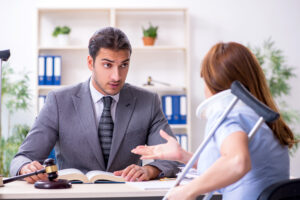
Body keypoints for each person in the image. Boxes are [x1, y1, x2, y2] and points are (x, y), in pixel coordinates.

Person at [10, 27, 179, 183]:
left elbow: (172, 157)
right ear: (90, 63)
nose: (116, 76)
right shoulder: (58, 101)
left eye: (124, 65)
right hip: (74, 195)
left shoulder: (147, 101)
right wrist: (26, 167)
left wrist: (150, 169)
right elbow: (22, 158)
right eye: (107, 65)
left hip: (126, 194)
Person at [132, 42, 296, 200]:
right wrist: (182, 155)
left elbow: (237, 161)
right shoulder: (259, 118)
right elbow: (224, 165)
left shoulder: (228, 113)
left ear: (213, 81)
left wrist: (188, 191)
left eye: (204, 79)